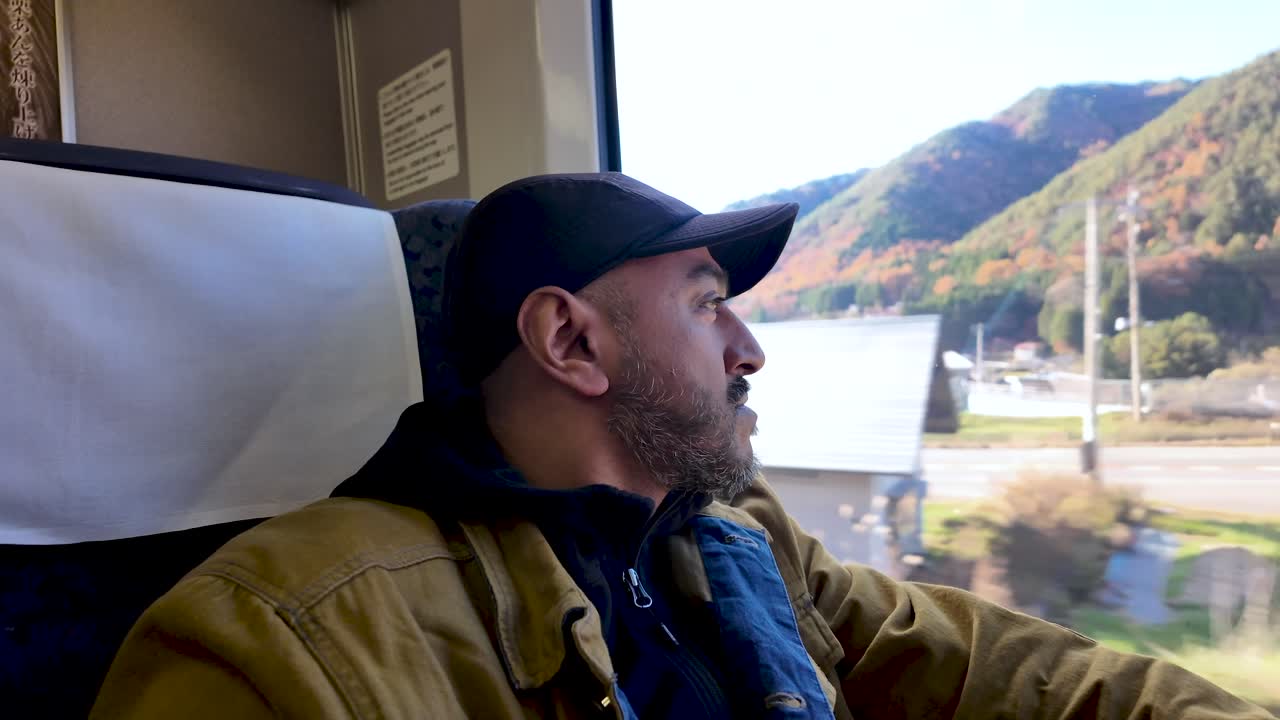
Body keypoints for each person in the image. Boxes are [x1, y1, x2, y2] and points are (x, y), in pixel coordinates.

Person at [91, 173, 1272, 719]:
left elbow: (999, 673)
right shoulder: (288, 643)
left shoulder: (734, 544)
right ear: (570, 339)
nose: (748, 349)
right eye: (707, 303)